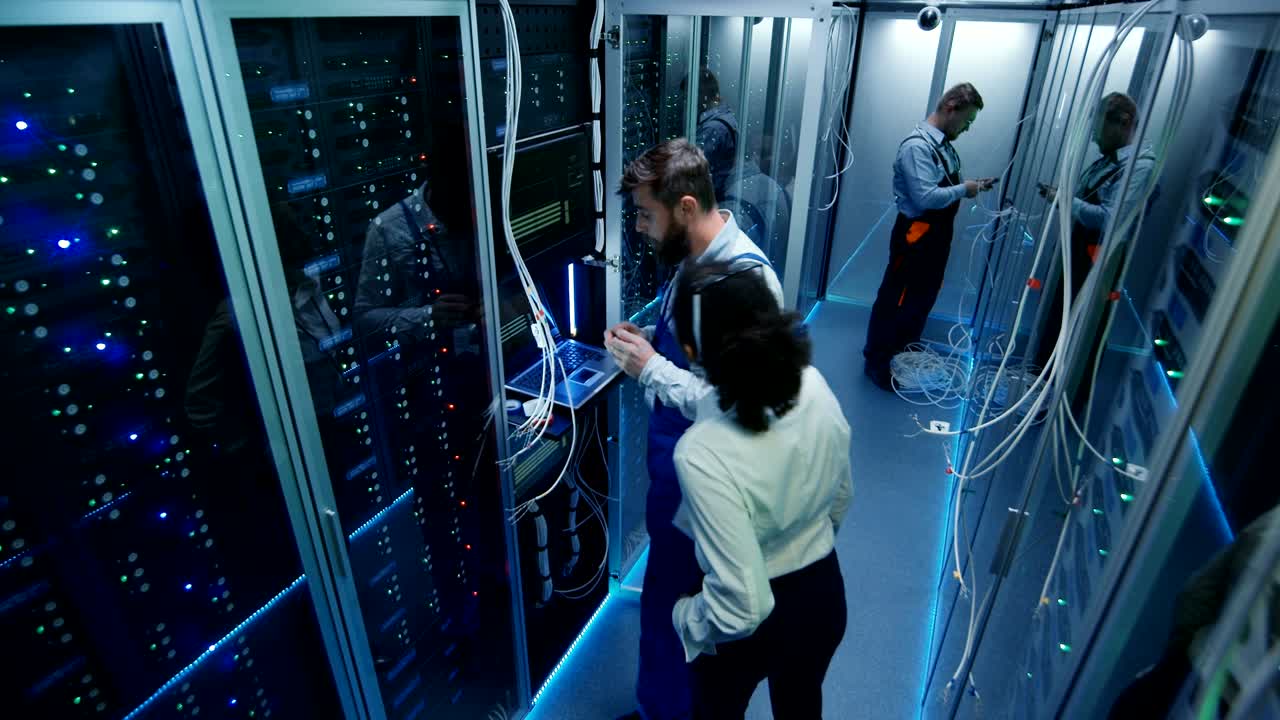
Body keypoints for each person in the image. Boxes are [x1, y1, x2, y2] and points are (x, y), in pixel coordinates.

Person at [606, 139, 783, 720]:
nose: (638, 228)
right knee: (664, 596)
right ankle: (660, 708)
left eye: (644, 214)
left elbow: (743, 409)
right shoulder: (697, 259)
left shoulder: (747, 285)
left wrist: (651, 369)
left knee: (686, 608)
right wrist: (654, 339)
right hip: (678, 470)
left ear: (685, 207)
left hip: (710, 483)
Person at [667, 261, 853, 719]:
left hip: (751, 627)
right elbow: (841, 496)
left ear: (692, 350)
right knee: (801, 705)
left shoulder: (700, 453)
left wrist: (686, 617)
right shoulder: (813, 383)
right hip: (823, 594)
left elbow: (744, 606)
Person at [863, 82, 995, 391]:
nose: (967, 129)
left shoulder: (944, 147)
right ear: (951, 108)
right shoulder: (917, 146)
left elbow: (941, 188)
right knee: (896, 297)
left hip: (936, 234)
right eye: (967, 121)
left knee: (922, 296)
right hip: (916, 233)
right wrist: (965, 189)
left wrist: (971, 185)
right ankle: (878, 362)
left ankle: (905, 354)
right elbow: (924, 198)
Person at [1035, 92, 1157, 369]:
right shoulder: (1109, 162)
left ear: (1123, 123)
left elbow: (1110, 219)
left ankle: (1061, 400)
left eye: (1099, 130)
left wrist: (1064, 199)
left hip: (1095, 263)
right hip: (1077, 256)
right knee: (1056, 322)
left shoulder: (1138, 167)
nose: (1094, 138)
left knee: (1079, 334)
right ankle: (1040, 385)